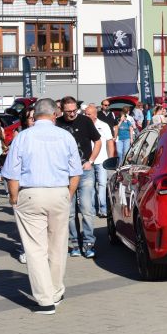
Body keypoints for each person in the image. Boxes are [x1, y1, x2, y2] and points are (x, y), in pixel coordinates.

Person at [1, 98, 81, 315]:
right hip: (59, 192)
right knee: (58, 244)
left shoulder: (23, 137)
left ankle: (45, 300)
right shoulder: (65, 136)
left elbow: (12, 173)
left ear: (34, 115)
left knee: (35, 248)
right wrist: (68, 194)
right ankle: (56, 290)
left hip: (30, 192)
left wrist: (13, 198)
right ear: (55, 114)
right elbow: (76, 172)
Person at [55, 96, 102, 258]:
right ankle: (75, 243)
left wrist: (91, 161)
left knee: (87, 209)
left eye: (75, 110)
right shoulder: (57, 124)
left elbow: (98, 141)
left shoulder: (85, 121)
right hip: (65, 174)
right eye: (69, 111)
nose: (73, 113)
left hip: (85, 171)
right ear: (62, 110)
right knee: (69, 211)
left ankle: (89, 243)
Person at [85, 104, 116, 219]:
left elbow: (110, 142)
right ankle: (92, 209)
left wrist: (111, 158)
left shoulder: (104, 126)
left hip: (102, 160)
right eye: (85, 114)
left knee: (102, 184)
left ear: (95, 114)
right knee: (90, 186)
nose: (86, 116)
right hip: (88, 161)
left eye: (89, 114)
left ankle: (103, 209)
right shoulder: (84, 125)